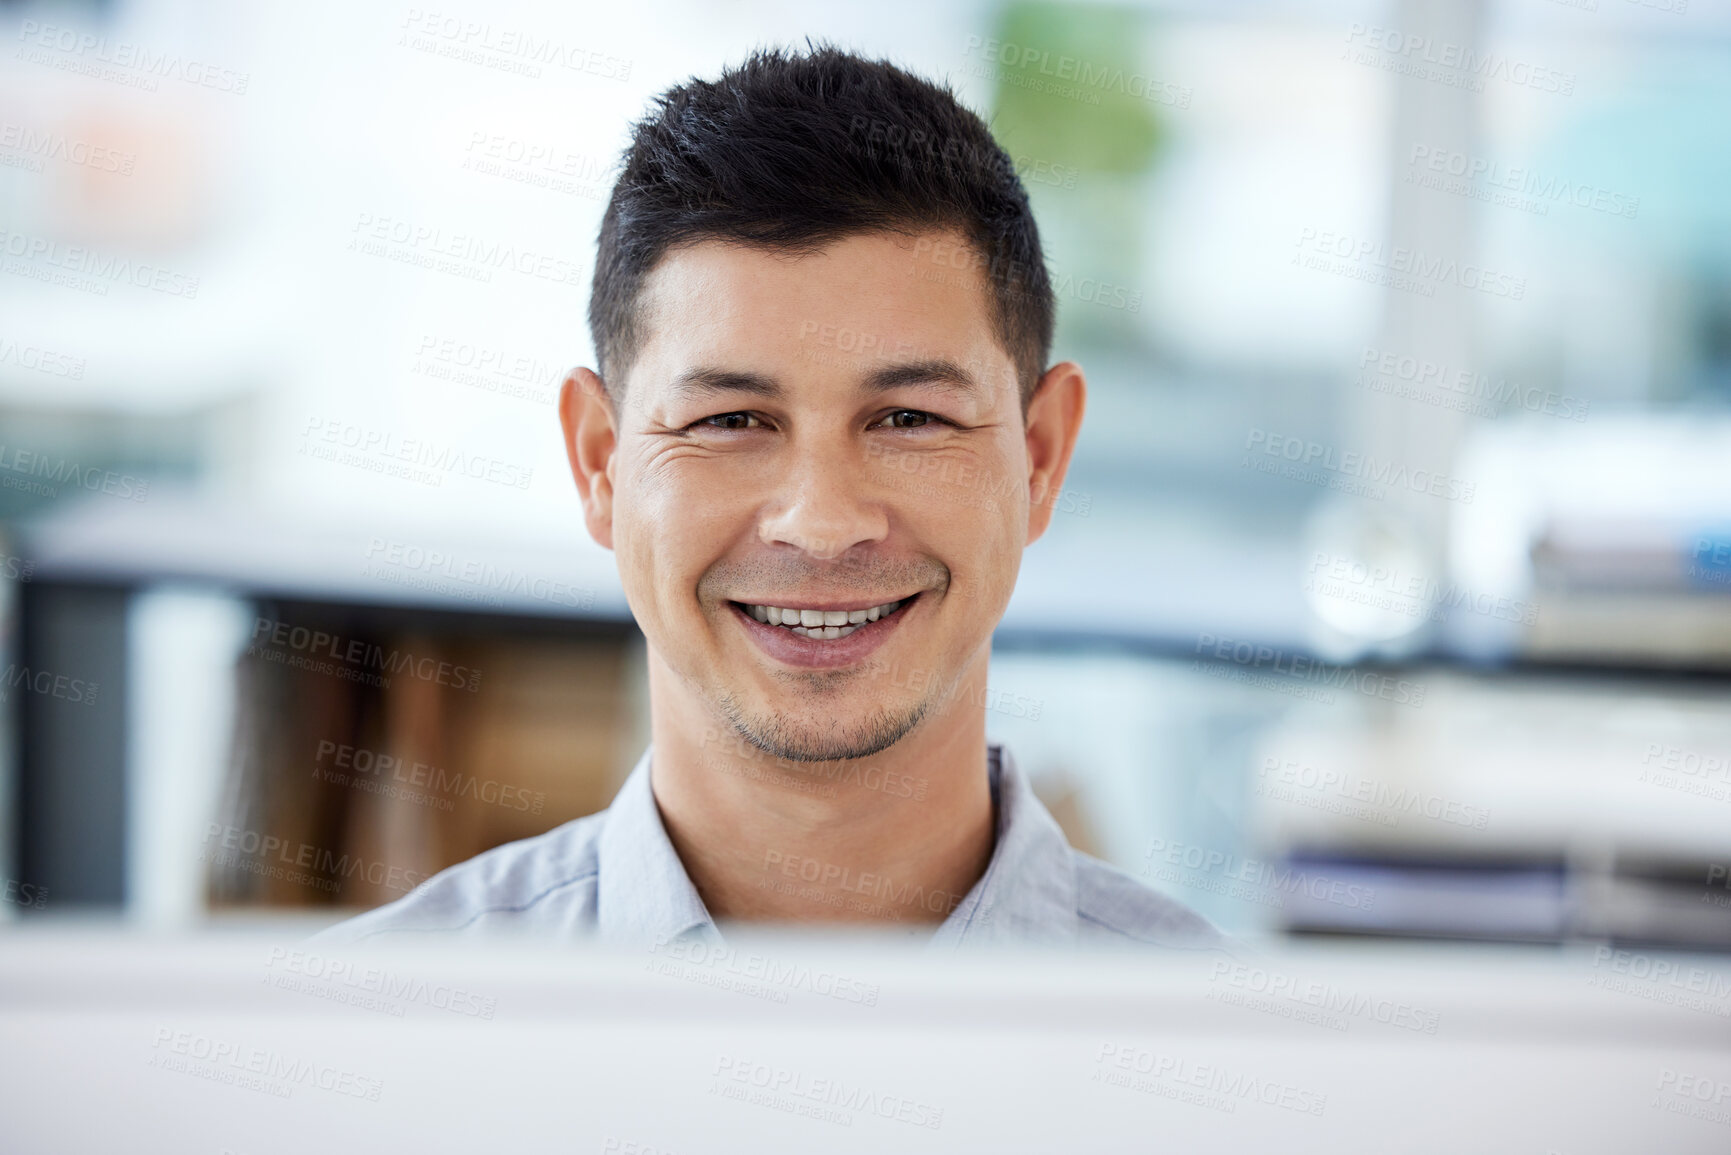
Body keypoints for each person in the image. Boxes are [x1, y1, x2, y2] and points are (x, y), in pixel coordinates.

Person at [320, 45, 1217, 951]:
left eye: (907, 417)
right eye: (730, 420)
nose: (821, 524)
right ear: (601, 462)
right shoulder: (370, 1028)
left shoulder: (1244, 1056)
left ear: (1040, 456)